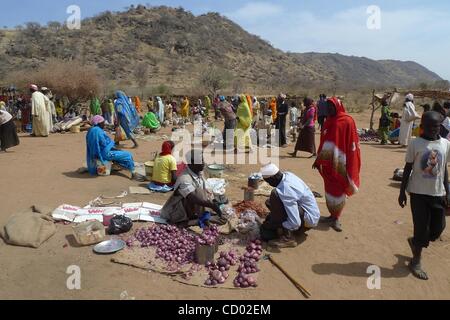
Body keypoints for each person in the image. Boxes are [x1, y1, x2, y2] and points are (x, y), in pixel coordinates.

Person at [398, 111, 450, 281]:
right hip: (418, 193)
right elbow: (407, 168)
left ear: (440, 127)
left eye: (436, 126)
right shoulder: (415, 143)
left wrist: (447, 191)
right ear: (422, 127)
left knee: (438, 228)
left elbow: (444, 170)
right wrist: (402, 192)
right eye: (429, 126)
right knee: (421, 227)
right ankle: (416, 260)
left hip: (437, 193)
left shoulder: (445, 144)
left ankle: (415, 242)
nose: (433, 129)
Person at [313, 97, 361, 232]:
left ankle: (336, 218)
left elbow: (352, 143)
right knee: (329, 190)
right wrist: (318, 160)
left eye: (331, 107)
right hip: (328, 162)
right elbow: (324, 142)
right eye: (327, 107)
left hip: (342, 163)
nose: (328, 110)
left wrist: (347, 161)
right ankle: (331, 215)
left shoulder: (347, 121)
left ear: (338, 107)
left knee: (339, 189)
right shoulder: (328, 121)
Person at [259, 163, 320, 248]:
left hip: (308, 219)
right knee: (269, 202)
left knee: (275, 194)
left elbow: (295, 222)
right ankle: (282, 226)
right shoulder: (288, 175)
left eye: (269, 182)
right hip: (309, 213)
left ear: (273, 178)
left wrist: (277, 225)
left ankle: (288, 238)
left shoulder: (286, 190)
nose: (269, 184)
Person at [160, 150, 224, 225]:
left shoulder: (200, 172)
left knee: (217, 198)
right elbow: (194, 198)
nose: (203, 163)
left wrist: (215, 200)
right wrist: (212, 205)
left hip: (191, 209)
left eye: (203, 160)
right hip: (175, 211)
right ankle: (188, 222)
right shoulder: (184, 178)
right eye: (200, 161)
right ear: (191, 163)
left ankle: (200, 218)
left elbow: (207, 190)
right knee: (199, 193)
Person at [86, 115, 143, 181]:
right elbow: (104, 144)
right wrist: (112, 145)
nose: (104, 124)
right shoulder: (99, 131)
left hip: (95, 154)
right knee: (128, 155)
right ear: (99, 123)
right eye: (103, 122)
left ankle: (120, 166)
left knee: (119, 152)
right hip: (104, 154)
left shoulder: (91, 130)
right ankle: (133, 173)